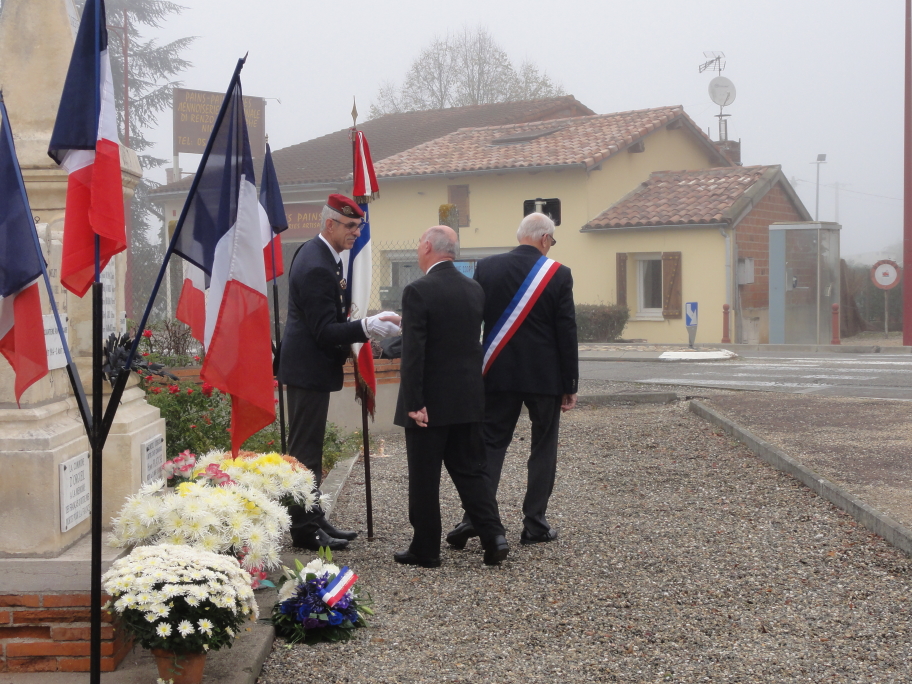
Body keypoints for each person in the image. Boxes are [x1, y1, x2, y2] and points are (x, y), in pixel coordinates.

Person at [446, 212, 578, 548]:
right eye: (552, 241)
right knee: (543, 448)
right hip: (545, 377)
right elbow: (566, 331)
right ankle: (535, 524)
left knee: (490, 445)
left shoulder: (487, 267)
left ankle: (476, 518)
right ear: (545, 238)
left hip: (497, 371)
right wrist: (570, 384)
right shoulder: (559, 273)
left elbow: (473, 318)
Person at [278, 193, 401, 551]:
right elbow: (323, 330)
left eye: (359, 227)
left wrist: (364, 326)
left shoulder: (322, 255)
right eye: (350, 226)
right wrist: (366, 326)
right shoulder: (317, 264)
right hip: (307, 368)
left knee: (310, 450)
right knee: (304, 454)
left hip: (310, 367)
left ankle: (314, 517)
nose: (356, 233)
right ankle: (304, 528)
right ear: (329, 223)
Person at [393, 225, 509, 568]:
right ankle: (494, 535)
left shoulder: (418, 290)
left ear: (428, 246)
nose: (418, 248)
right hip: (467, 398)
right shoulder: (473, 289)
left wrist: (414, 402)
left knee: (425, 478)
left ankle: (426, 548)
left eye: (419, 242)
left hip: (429, 403)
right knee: (471, 471)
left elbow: (414, 353)